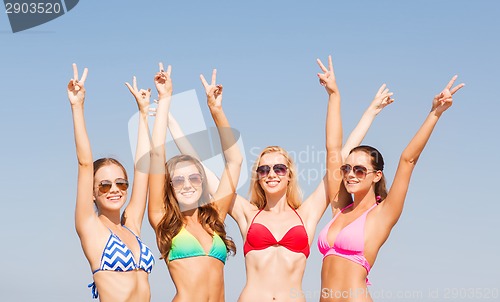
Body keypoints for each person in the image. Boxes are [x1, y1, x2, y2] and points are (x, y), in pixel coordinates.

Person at [167, 56, 393, 301]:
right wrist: (198, 115)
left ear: (289, 176)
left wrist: (343, 101)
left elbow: (337, 156)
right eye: (263, 170)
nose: (271, 174)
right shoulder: (247, 214)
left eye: (279, 169)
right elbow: (201, 169)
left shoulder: (306, 214)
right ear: (258, 178)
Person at [317, 75, 464, 302]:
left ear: (376, 176)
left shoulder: (383, 214)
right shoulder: (339, 209)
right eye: (347, 169)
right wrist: (333, 96)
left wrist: (435, 113)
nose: (350, 174)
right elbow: (332, 148)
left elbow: (408, 160)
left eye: (359, 170)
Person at [148, 64, 243, 301]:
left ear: (202, 182)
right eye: (178, 180)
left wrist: (216, 109)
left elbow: (235, 161)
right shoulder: (163, 221)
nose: (187, 184)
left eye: (193, 177)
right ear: (169, 186)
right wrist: (165, 99)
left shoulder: (214, 217)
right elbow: (157, 156)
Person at [68, 63, 155, 301]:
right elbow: (85, 163)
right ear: (93, 193)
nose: (114, 189)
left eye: (121, 184)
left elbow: (143, 168)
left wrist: (143, 115)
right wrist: (77, 106)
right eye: (104, 185)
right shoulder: (90, 226)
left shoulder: (132, 225)